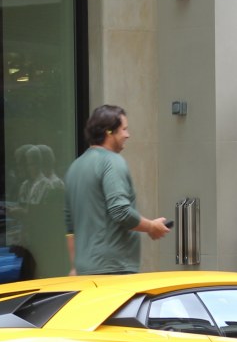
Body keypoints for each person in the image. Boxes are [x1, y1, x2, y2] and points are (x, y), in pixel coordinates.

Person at [64, 104, 170, 275]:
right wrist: (151, 226)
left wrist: (75, 267)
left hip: (85, 270)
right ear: (109, 132)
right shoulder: (112, 162)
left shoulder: (75, 167)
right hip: (114, 268)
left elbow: (70, 227)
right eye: (124, 129)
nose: (128, 135)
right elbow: (120, 211)